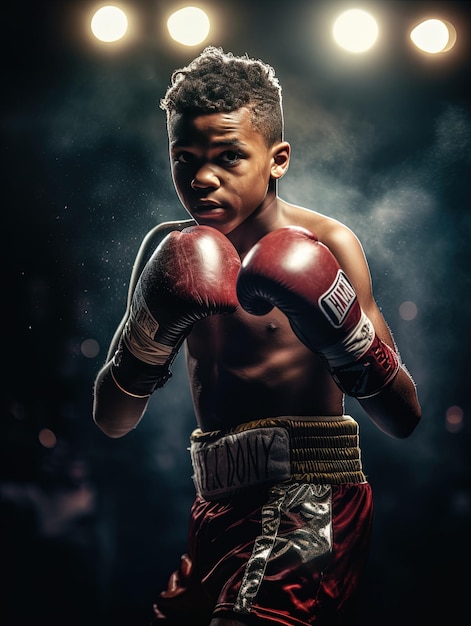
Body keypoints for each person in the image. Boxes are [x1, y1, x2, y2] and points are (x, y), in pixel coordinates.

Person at [92, 46, 421, 626]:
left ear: (278, 159)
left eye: (229, 157)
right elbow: (112, 419)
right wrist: (147, 338)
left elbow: (405, 416)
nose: (201, 178)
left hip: (312, 500)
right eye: (184, 158)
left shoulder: (328, 245)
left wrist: (346, 337)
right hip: (215, 506)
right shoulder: (165, 250)